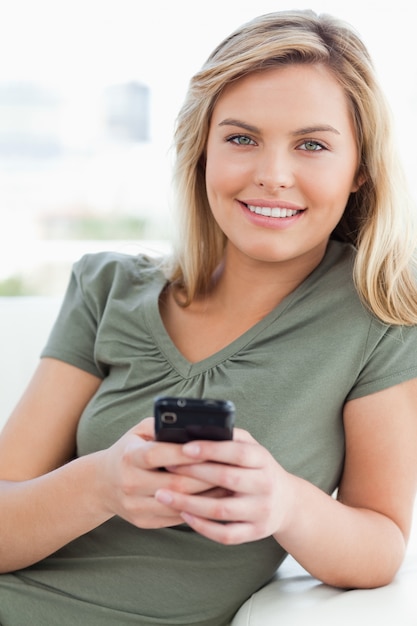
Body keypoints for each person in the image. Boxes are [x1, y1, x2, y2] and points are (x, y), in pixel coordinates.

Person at [0, 9, 417, 626]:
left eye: (312, 144)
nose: (272, 175)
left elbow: (381, 545)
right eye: (241, 138)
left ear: (359, 167)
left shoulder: (381, 321)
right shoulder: (107, 288)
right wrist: (101, 484)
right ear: (201, 152)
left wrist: (286, 505)